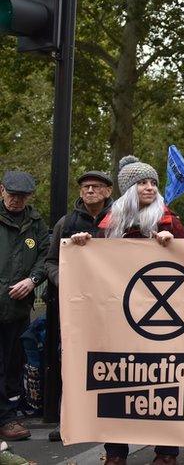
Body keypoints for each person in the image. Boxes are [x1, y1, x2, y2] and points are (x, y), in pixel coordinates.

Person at [70, 157, 184, 465]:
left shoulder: (168, 219)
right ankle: (115, 452)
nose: (149, 187)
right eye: (143, 183)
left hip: (161, 318)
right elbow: (96, 261)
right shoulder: (110, 223)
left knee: (164, 380)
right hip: (120, 315)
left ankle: (166, 452)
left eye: (153, 183)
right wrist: (84, 243)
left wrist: (172, 243)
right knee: (118, 382)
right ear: (129, 189)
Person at [43, 170, 114, 442]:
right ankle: (70, 422)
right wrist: (65, 280)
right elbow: (50, 261)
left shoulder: (120, 219)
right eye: (85, 186)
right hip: (77, 307)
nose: (90, 191)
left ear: (108, 191)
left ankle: (107, 418)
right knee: (72, 362)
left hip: (111, 304)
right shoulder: (66, 222)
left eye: (96, 186)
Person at [0, 171, 48, 443]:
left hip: (18, 307)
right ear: (1, 190)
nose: (17, 200)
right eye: (12, 194)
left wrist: (33, 281)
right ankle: (6, 418)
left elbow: (45, 255)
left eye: (23, 196)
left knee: (14, 362)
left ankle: (10, 413)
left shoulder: (36, 223)